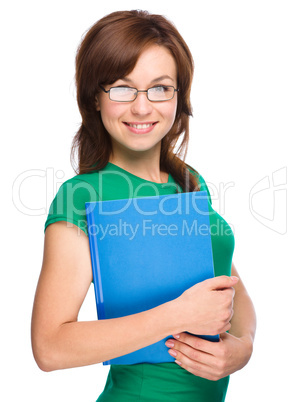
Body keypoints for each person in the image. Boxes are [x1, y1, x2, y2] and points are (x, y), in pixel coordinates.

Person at [31, 10, 256, 402]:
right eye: (122, 88)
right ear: (94, 98)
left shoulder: (188, 181)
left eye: (160, 88)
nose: (141, 107)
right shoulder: (83, 197)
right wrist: (177, 316)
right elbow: (49, 347)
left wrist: (242, 348)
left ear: (179, 96)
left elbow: (232, 288)